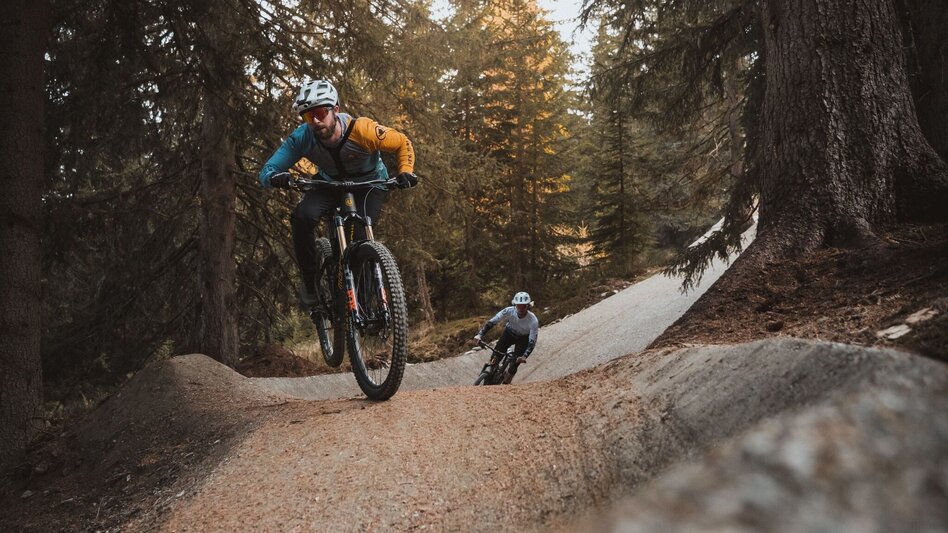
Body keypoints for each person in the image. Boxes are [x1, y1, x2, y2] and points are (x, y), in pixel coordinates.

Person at [258, 79, 418, 306]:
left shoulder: (363, 130)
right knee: (303, 216)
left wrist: (405, 171)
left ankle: (360, 304)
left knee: (360, 239)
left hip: (369, 183)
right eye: (307, 116)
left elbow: (402, 143)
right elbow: (267, 170)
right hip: (329, 184)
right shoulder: (303, 137)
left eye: (321, 112)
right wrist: (276, 177)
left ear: (336, 109)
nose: (315, 120)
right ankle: (310, 280)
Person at [472, 291, 539, 384]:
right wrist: (480, 334)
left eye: (524, 306)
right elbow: (492, 322)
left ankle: (506, 385)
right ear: (515, 305)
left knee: (514, 365)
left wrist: (524, 356)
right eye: (519, 306)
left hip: (523, 339)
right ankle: (488, 373)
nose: (521, 308)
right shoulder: (509, 311)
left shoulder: (533, 320)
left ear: (528, 306)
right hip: (508, 334)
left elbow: (532, 341)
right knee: (495, 358)